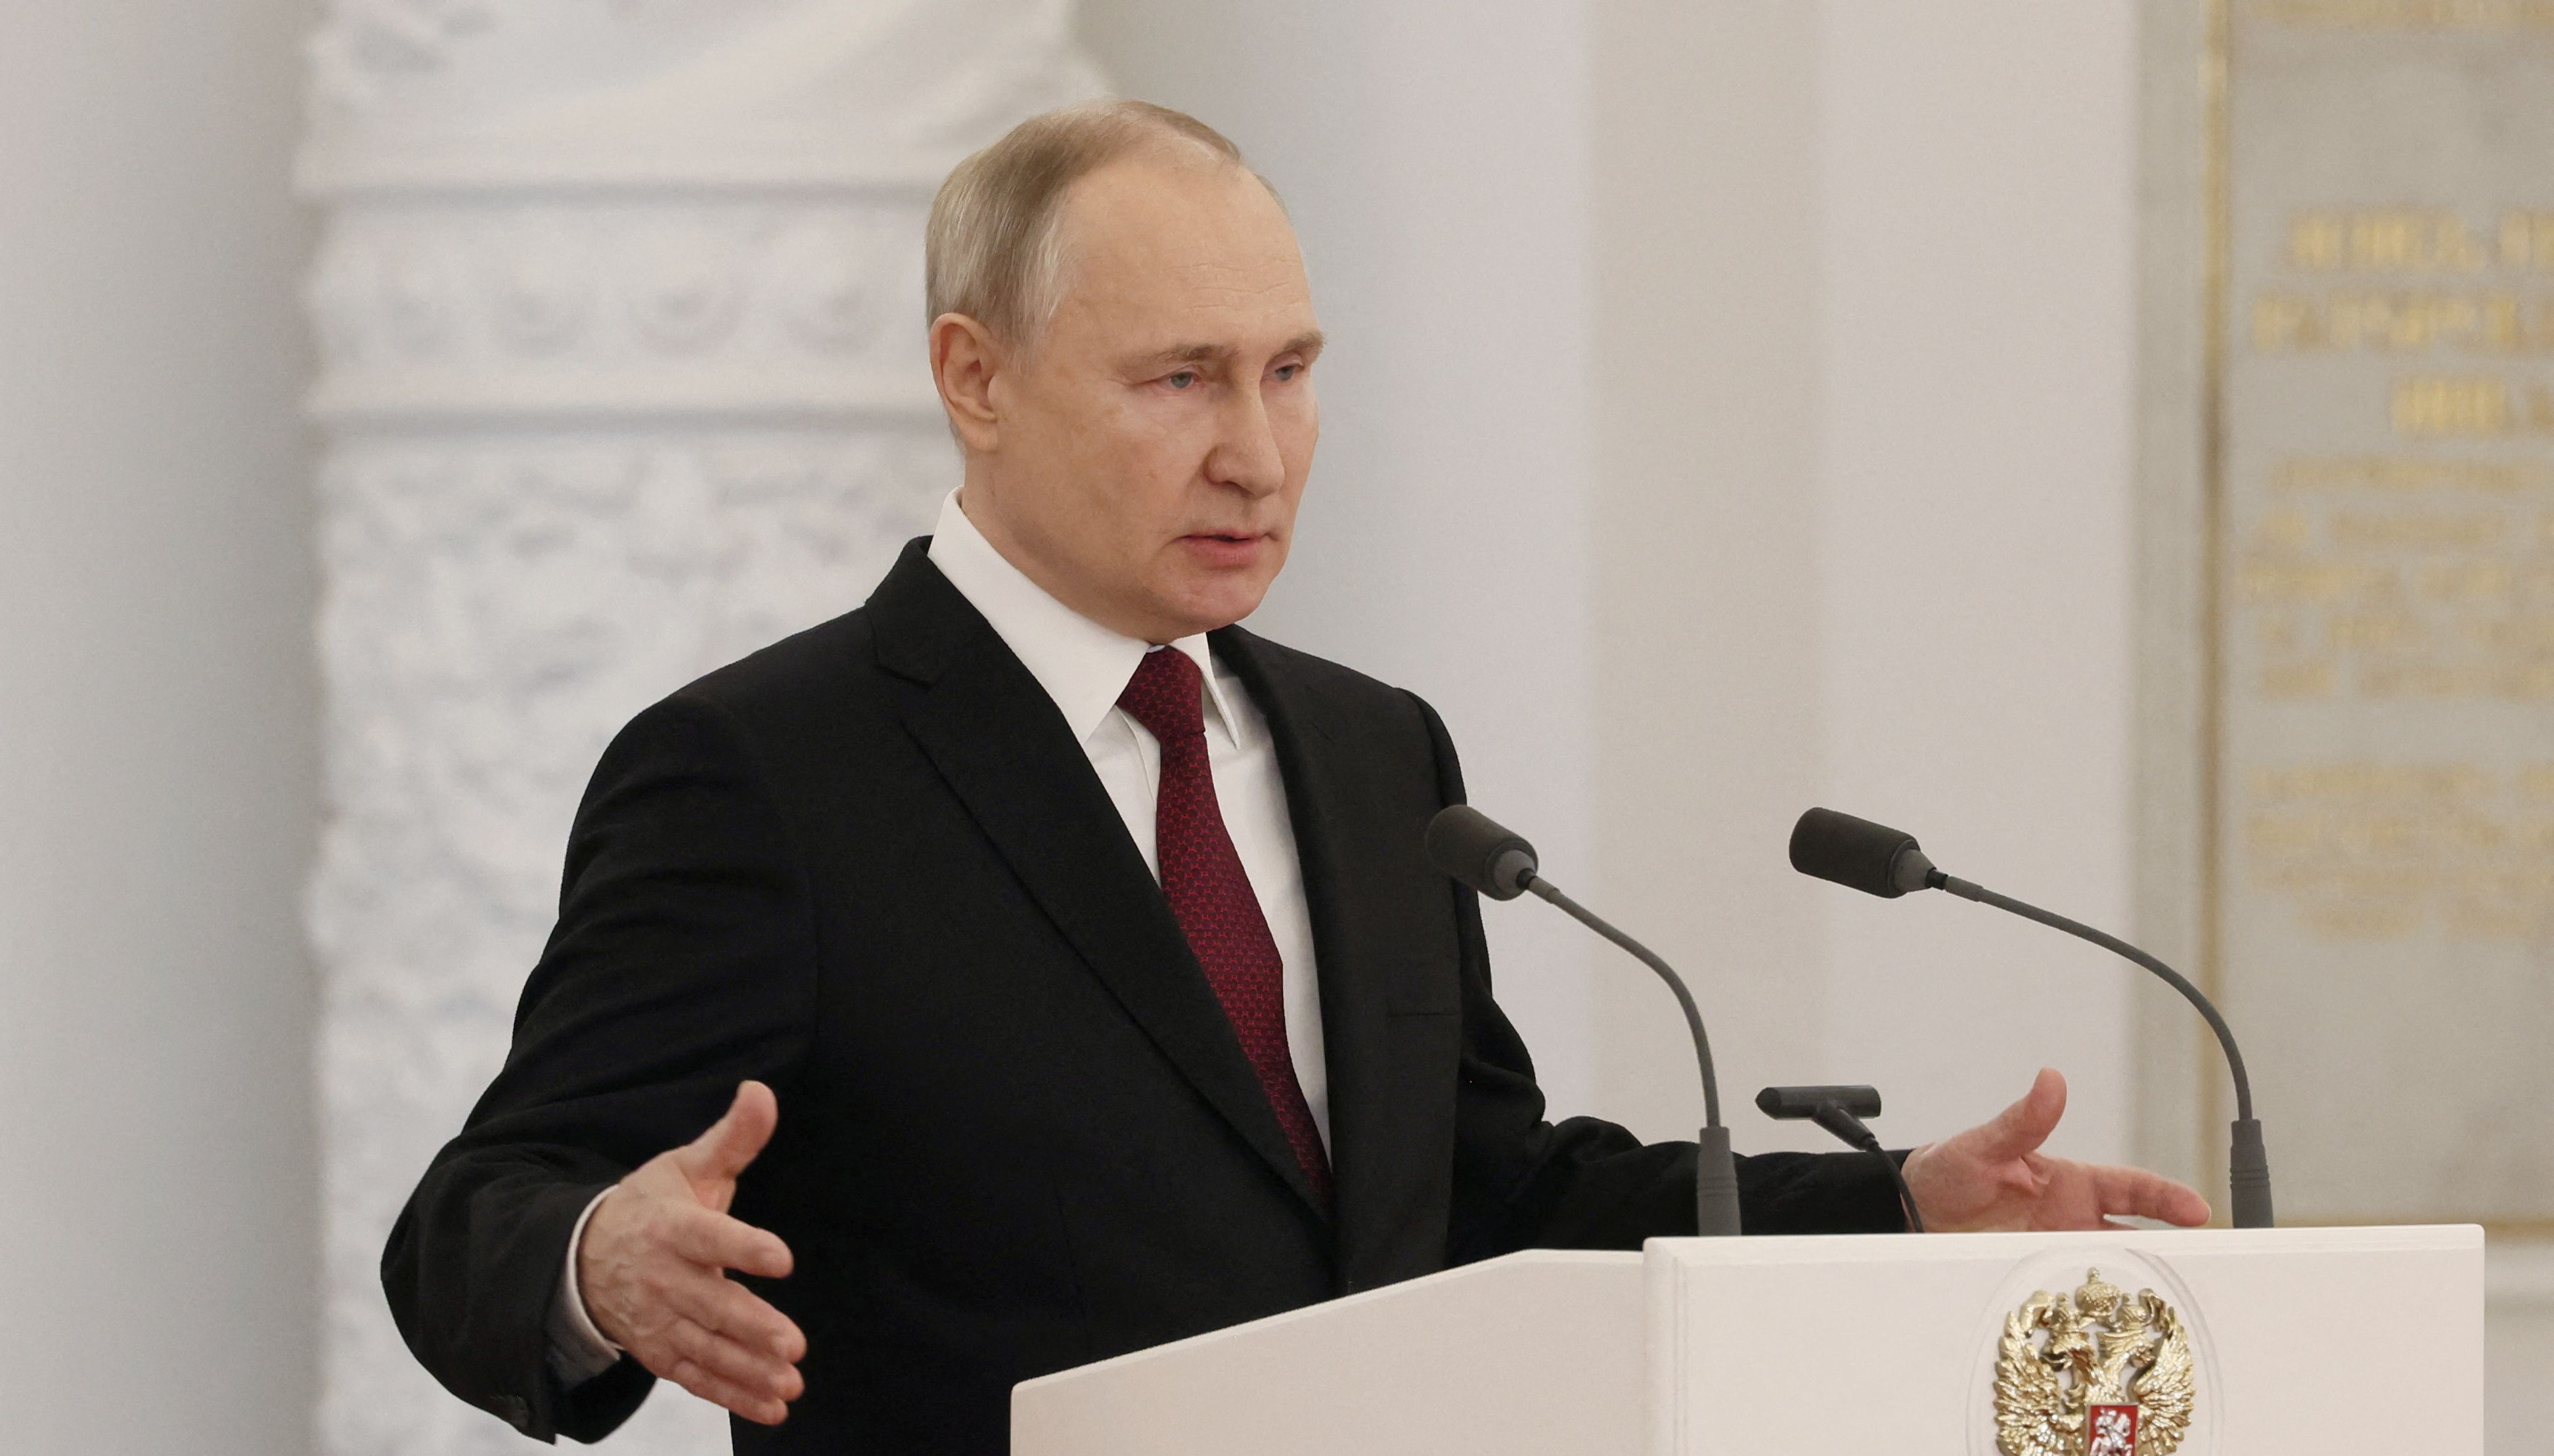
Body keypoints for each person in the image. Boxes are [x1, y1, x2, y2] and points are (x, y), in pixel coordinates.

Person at [382, 100, 2208, 1453]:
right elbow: (473, 1219)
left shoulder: (1371, 753)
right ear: (975, 378)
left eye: (1291, 370)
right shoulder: (766, 775)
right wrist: (597, 1257)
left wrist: (1898, 1206)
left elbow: (1484, 1195)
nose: (1258, 454)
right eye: (1181, 379)